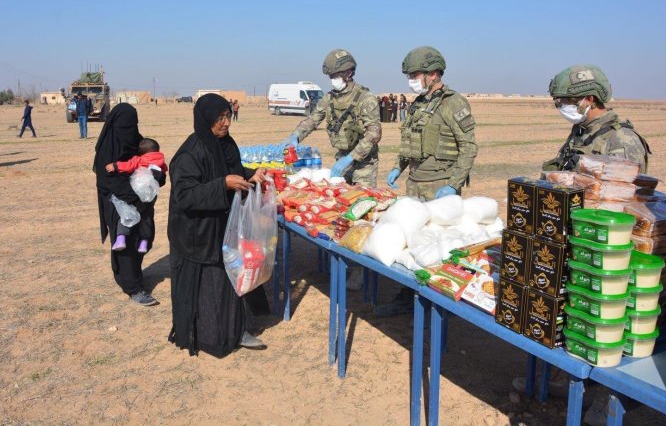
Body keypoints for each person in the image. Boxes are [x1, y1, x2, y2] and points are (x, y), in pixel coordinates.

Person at [378, 46, 478, 316]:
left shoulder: (453, 103)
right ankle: (406, 296)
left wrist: (454, 183)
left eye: (415, 74)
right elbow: (409, 143)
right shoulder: (418, 104)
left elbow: (468, 147)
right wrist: (397, 168)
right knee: (413, 243)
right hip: (415, 183)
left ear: (433, 74)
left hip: (440, 186)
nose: (411, 80)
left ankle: (438, 304)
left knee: (439, 246)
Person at [167, 93, 270, 357]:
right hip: (196, 233)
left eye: (228, 117)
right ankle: (208, 335)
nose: (226, 123)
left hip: (222, 226)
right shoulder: (190, 153)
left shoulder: (226, 143)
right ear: (205, 120)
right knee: (208, 287)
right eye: (219, 119)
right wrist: (222, 185)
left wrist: (250, 175)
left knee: (228, 282)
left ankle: (235, 330)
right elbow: (185, 195)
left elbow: (229, 168)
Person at [94, 104, 164, 306]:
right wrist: (133, 199)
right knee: (125, 243)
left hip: (142, 201)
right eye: (126, 125)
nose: (130, 129)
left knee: (144, 238)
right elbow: (108, 181)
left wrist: (159, 177)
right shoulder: (107, 150)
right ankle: (133, 287)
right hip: (117, 202)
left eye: (133, 124)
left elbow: (151, 165)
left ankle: (134, 274)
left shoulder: (137, 142)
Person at [285, 49, 382, 186]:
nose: (332, 80)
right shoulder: (329, 98)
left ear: (349, 73)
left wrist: (351, 158)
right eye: (331, 76)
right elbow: (313, 119)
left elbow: (374, 134)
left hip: (364, 165)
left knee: (362, 200)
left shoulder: (365, 98)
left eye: (335, 76)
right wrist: (296, 136)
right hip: (341, 160)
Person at [543, 64, 650, 172]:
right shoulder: (580, 132)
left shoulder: (622, 140)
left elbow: (624, 187)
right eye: (558, 102)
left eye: (566, 101)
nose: (562, 106)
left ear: (589, 99)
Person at [105, 137, 168, 254]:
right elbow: (164, 171)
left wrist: (115, 166)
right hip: (151, 194)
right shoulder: (161, 160)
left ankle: (121, 238)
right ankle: (144, 243)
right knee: (147, 215)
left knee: (126, 213)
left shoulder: (139, 159)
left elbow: (128, 165)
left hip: (137, 191)